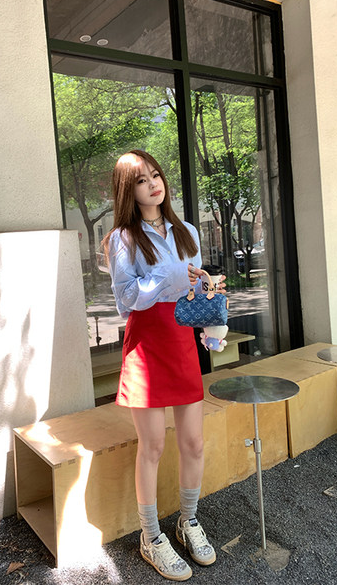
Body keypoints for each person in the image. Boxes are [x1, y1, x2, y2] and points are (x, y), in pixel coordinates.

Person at [102, 149, 226, 581]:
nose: (153, 184)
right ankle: (151, 536)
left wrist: (204, 283)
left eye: (155, 175)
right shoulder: (122, 238)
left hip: (181, 339)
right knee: (152, 446)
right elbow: (125, 299)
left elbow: (192, 288)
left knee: (193, 442)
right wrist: (164, 278)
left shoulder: (186, 230)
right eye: (142, 180)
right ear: (128, 189)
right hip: (147, 345)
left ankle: (188, 521)